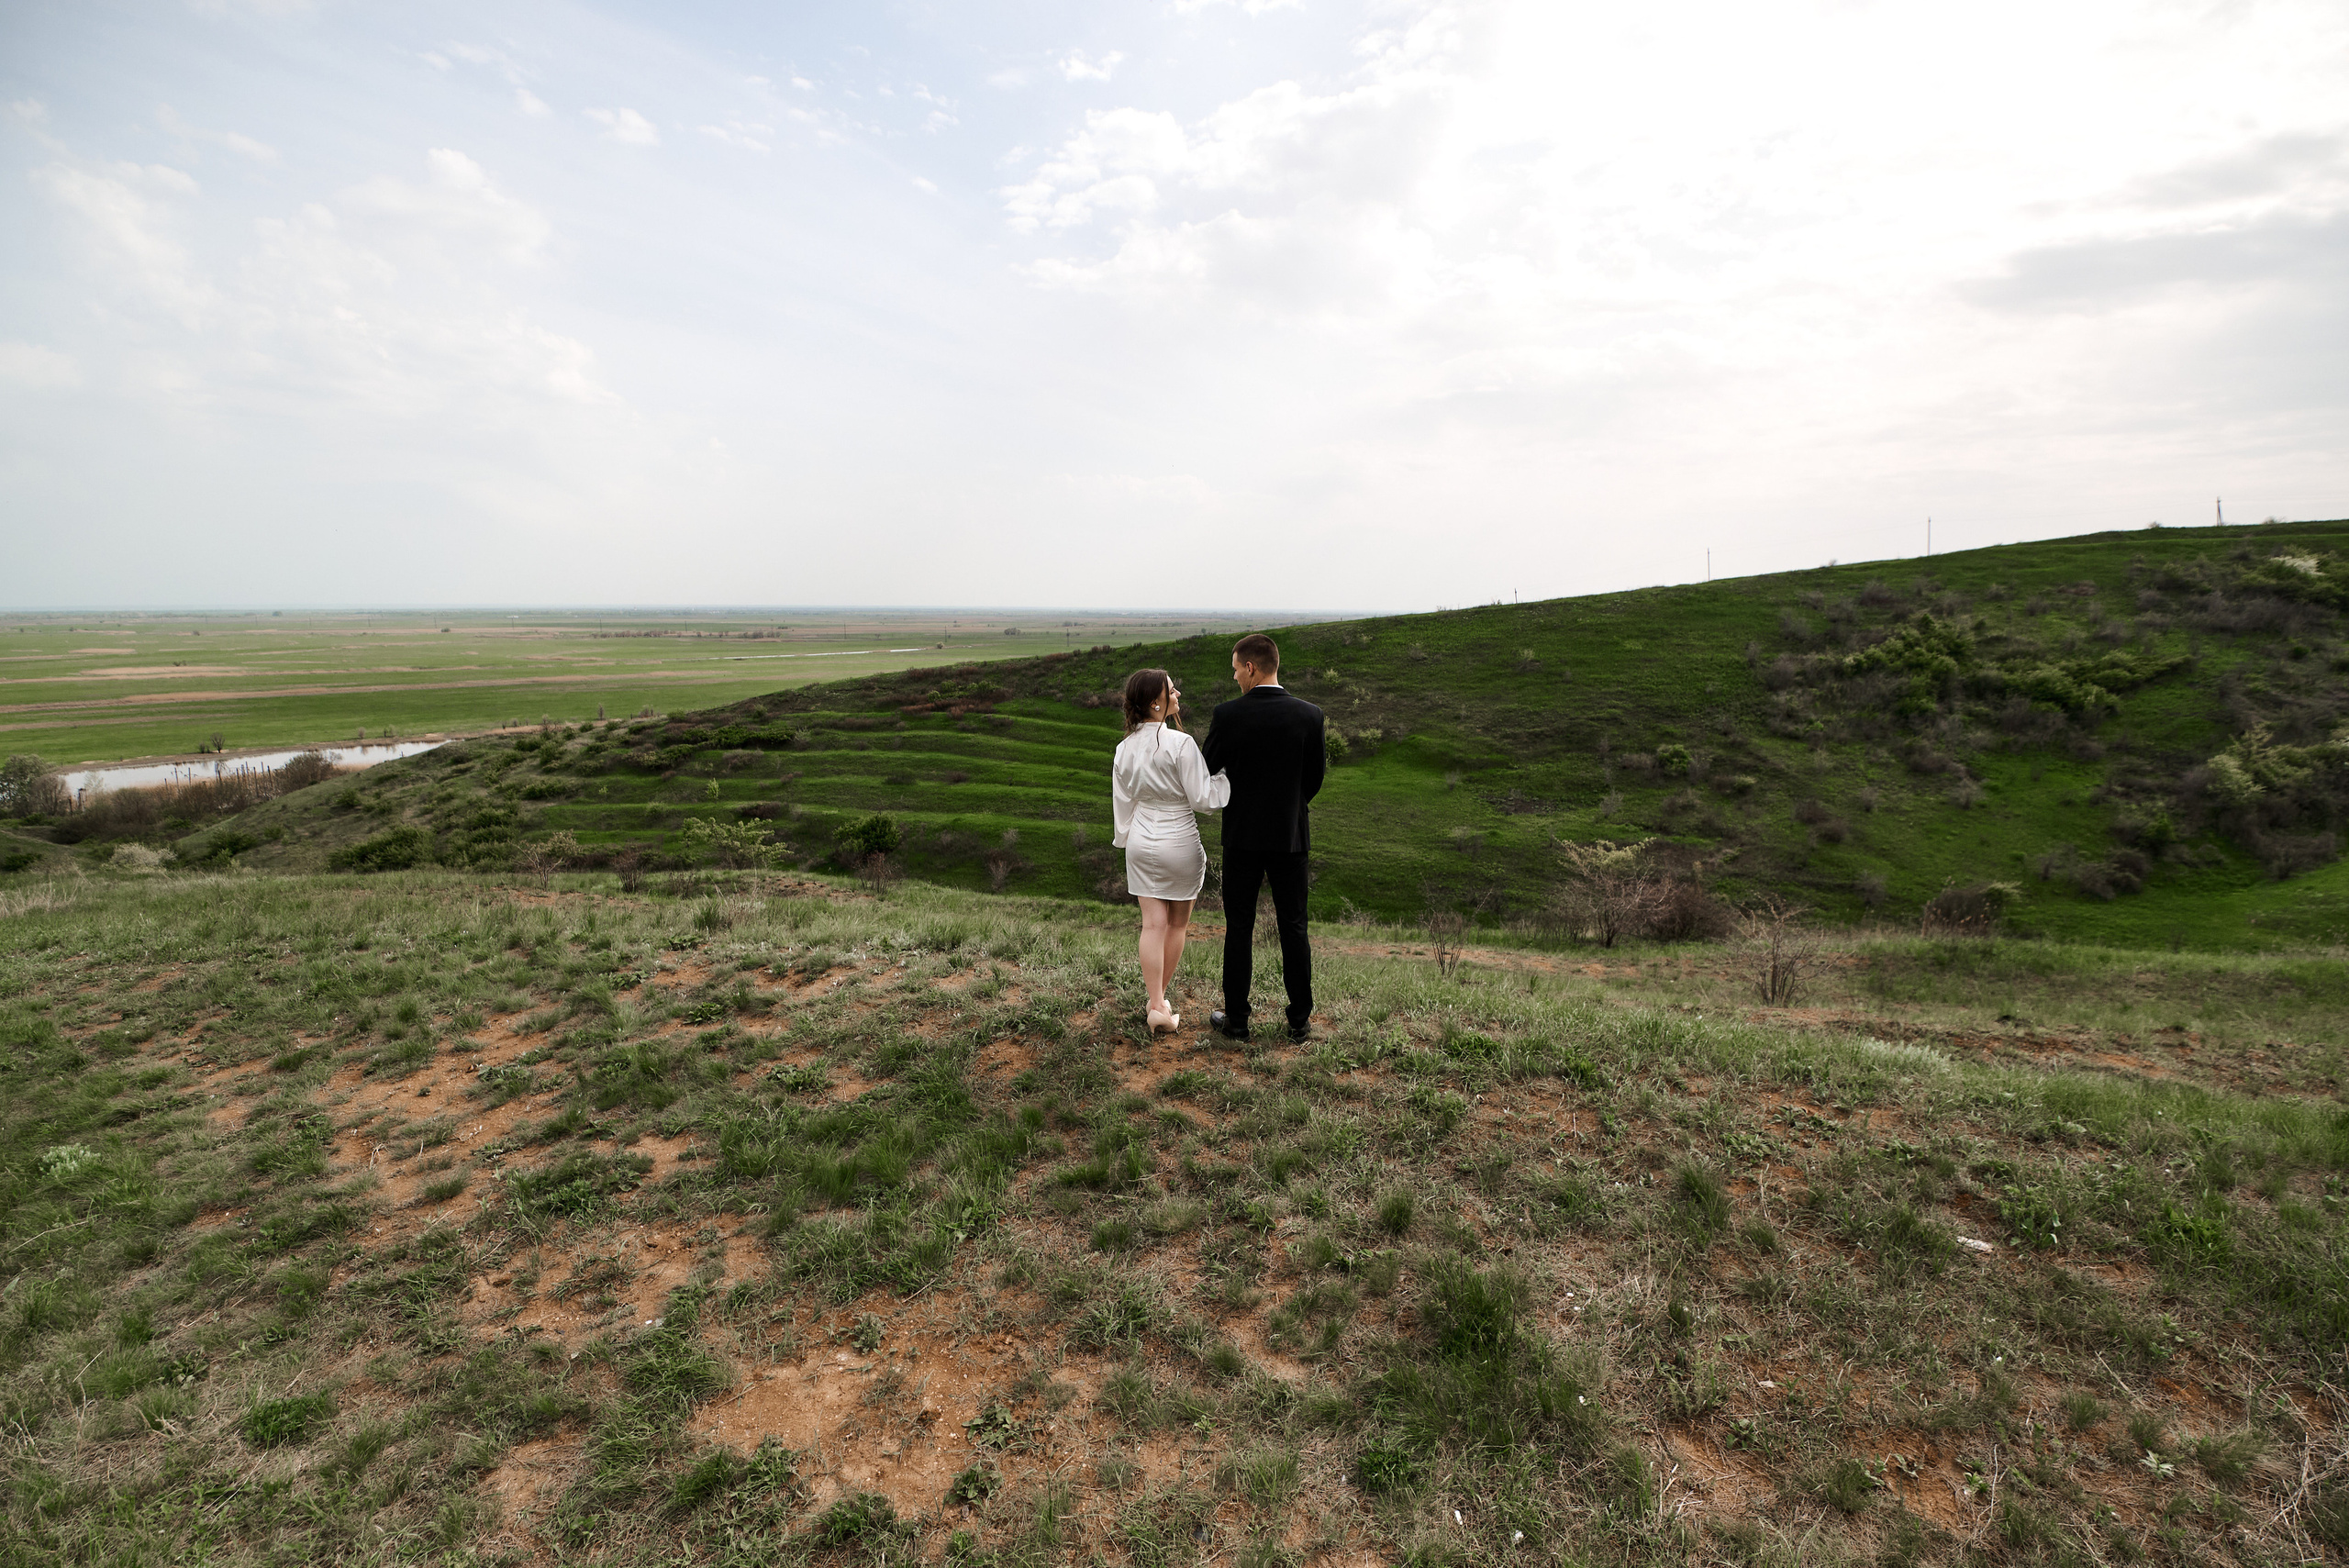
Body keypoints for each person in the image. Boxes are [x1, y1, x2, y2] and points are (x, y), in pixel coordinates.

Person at [1202, 633, 1324, 1043]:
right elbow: (1314, 779)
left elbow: (1208, 768)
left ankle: (1237, 1022)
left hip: (1242, 837)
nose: (1235, 676)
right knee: (1294, 926)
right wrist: (1288, 807)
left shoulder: (1227, 715)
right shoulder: (1310, 715)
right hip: (1291, 836)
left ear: (1251, 667)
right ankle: (1299, 1022)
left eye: (1236, 669)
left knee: (1239, 927)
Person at [1110, 668, 1230, 1033]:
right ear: (1155, 702)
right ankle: (1158, 1003)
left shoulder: (1123, 748)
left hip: (1141, 842)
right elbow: (1203, 800)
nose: (1178, 694)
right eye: (1172, 690)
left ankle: (1157, 1004)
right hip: (1179, 841)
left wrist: (1127, 840)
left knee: (1152, 924)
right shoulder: (1181, 743)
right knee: (1177, 924)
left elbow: (1123, 804)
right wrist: (1226, 778)